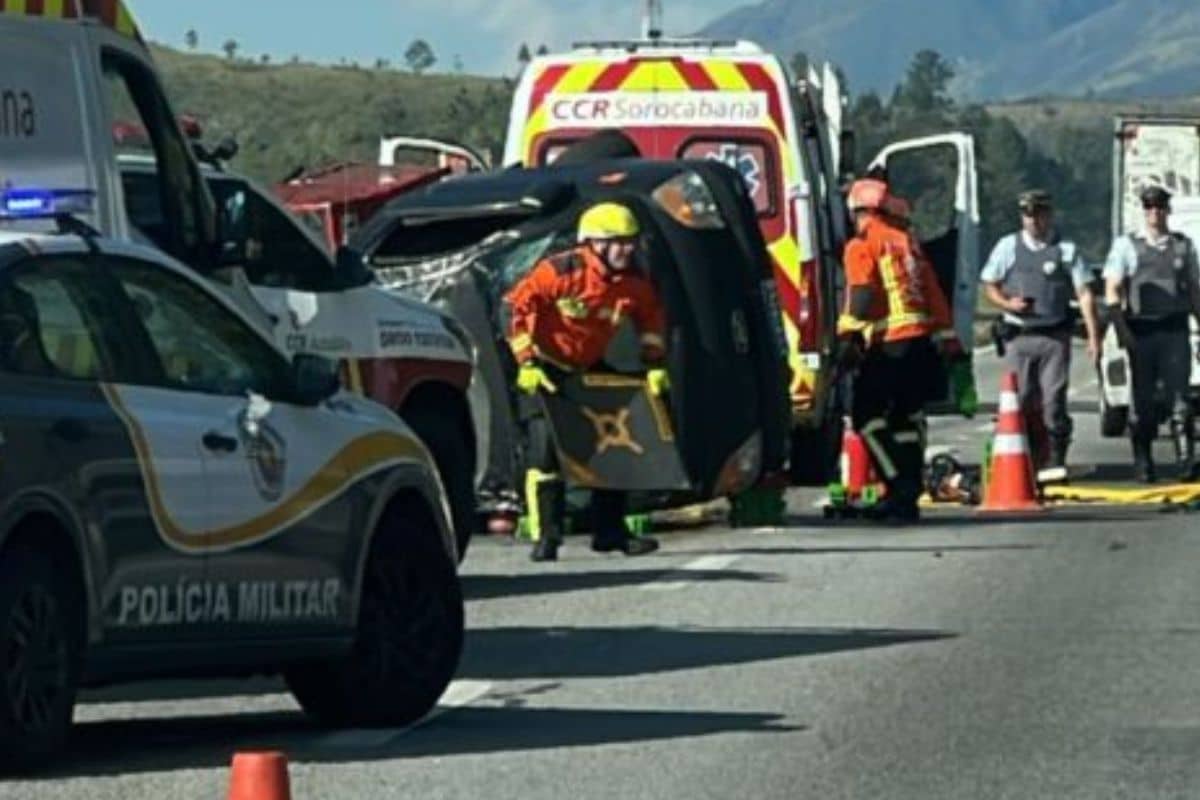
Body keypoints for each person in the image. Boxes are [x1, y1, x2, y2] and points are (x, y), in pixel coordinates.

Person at [504, 201, 668, 561]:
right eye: (617, 242)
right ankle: (547, 537)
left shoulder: (634, 283)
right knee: (546, 453)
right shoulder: (560, 272)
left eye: (631, 242)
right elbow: (517, 308)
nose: (626, 249)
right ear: (593, 243)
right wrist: (527, 361)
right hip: (545, 369)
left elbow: (651, 319)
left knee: (613, 447)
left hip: (590, 365)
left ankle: (610, 534)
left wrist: (655, 363)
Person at [836, 178, 962, 523]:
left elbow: (861, 299)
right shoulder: (907, 243)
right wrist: (950, 340)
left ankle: (897, 484)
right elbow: (934, 293)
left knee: (866, 417)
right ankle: (907, 491)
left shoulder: (862, 244)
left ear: (858, 212)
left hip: (891, 343)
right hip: (921, 344)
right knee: (906, 419)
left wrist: (845, 336)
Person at [981, 189, 1099, 479]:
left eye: (1039, 214)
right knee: (1020, 400)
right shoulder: (1008, 246)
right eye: (1028, 215)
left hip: (1054, 336)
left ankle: (1055, 459)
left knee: (1053, 400)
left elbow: (1084, 293)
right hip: (1019, 336)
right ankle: (1023, 458)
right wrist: (1008, 303)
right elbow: (989, 284)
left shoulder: (1066, 249)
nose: (1034, 221)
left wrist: (1094, 337)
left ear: (1049, 215)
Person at [1102, 185, 1200, 483]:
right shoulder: (1127, 246)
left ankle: (1187, 461)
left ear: (1167, 211)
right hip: (1142, 330)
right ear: (1143, 212)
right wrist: (1120, 327)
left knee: (1180, 399)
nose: (1154, 213)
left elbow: (1194, 289)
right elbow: (1113, 288)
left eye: (1159, 208)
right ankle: (1143, 461)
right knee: (1143, 401)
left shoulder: (1182, 246)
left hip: (1174, 328)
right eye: (1149, 208)